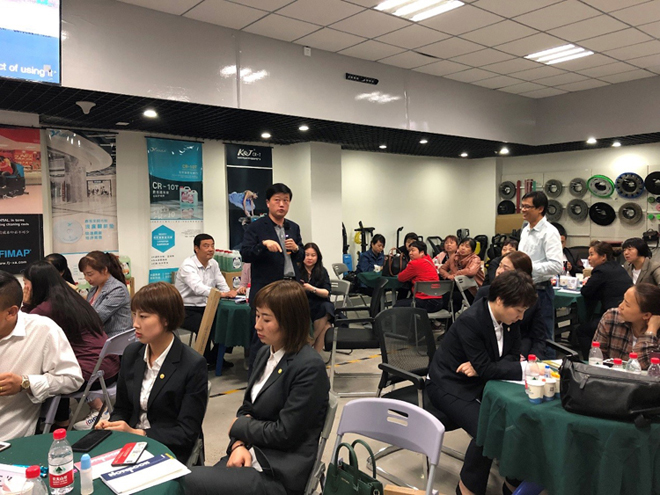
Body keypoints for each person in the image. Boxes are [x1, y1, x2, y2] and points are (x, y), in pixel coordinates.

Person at [184, 280, 330, 495]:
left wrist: (240, 426)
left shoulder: (308, 366)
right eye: (257, 316)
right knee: (187, 482)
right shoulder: (265, 353)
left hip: (278, 471)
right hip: (249, 453)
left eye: (266, 319)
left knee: (186, 482)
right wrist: (238, 445)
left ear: (290, 321)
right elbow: (247, 409)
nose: (257, 325)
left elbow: (285, 433)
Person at [426, 270, 537, 495]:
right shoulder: (471, 320)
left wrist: (484, 367)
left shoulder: (510, 320)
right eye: (519, 310)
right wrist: (514, 368)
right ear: (500, 300)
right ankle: (468, 489)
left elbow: (510, 357)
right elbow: (495, 367)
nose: (521, 317)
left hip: (482, 382)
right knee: (486, 428)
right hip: (448, 384)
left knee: (516, 419)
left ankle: (514, 483)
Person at [96, 282, 208, 462]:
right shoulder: (132, 353)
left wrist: (138, 433)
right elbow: (122, 408)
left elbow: (186, 433)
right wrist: (113, 424)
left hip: (168, 448)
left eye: (143, 316)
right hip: (131, 443)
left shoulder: (192, 364)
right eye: (134, 315)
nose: (135, 324)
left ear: (166, 319)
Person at [21, 261, 120, 430]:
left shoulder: (44, 309)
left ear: (36, 284)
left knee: (50, 374)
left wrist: (26, 304)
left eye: (25, 283)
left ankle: (59, 423)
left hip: (91, 374)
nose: (24, 288)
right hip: (109, 369)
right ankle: (63, 419)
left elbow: (25, 328)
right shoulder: (72, 298)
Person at [0, 271, 83, 441]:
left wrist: (24, 383)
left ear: (11, 312)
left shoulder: (41, 330)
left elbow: (72, 379)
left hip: (9, 436)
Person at [240, 183, 304, 373]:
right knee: (262, 337)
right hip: (267, 289)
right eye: (277, 200)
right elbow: (245, 254)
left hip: (291, 288)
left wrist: (297, 249)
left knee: (292, 334)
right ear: (268, 203)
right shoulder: (256, 227)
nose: (282, 204)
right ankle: (257, 378)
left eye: (286, 200)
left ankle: (289, 374)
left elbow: (301, 257)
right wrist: (263, 245)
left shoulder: (293, 227)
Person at [175, 233, 237, 368]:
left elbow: (221, 283)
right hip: (186, 309)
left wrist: (229, 293)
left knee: (228, 323)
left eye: (212, 246)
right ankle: (203, 361)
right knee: (205, 326)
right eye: (206, 246)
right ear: (196, 248)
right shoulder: (188, 266)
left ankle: (216, 357)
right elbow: (198, 288)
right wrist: (222, 294)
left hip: (208, 306)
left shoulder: (213, 264)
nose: (210, 249)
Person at [475, 251, 547, 359]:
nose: (499, 271)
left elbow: (538, 337)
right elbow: (475, 332)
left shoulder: (530, 299)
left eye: (505, 268)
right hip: (492, 354)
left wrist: (534, 358)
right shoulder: (485, 293)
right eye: (499, 266)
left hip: (523, 352)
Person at [518, 191, 563, 358]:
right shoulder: (525, 230)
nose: (523, 210)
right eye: (522, 206)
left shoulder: (549, 232)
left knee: (543, 337)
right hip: (523, 288)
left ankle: (548, 370)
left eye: (527, 206)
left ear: (540, 209)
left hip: (540, 291)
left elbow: (556, 265)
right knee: (524, 334)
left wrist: (527, 267)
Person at [578, 240, 633, 358]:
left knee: (582, 331)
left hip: (616, 315)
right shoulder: (618, 266)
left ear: (603, 256)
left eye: (591, 254)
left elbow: (586, 291)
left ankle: (590, 360)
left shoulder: (601, 271)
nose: (589, 258)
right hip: (628, 311)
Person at [594, 284, 660, 370]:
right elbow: (597, 355)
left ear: (646, 315)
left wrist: (651, 331)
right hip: (610, 375)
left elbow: (643, 366)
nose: (620, 306)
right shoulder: (612, 317)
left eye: (627, 305)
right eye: (623, 300)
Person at [78, 251, 132, 337]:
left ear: (104, 270)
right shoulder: (94, 289)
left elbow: (97, 318)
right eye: (84, 274)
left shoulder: (118, 289)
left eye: (90, 274)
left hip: (117, 338)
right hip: (101, 337)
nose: (87, 278)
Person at [300, 243, 335, 353]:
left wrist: (311, 288)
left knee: (326, 307)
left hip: (319, 303)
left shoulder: (322, 271)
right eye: (307, 255)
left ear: (318, 257)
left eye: (313, 255)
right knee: (326, 325)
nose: (309, 258)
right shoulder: (297, 270)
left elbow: (326, 292)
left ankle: (310, 343)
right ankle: (315, 356)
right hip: (303, 305)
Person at [395, 240, 442, 314]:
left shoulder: (415, 264)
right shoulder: (428, 259)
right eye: (409, 251)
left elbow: (401, 278)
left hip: (425, 301)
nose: (410, 253)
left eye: (413, 250)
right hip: (438, 301)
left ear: (421, 252)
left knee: (397, 306)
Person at [438, 238, 484, 311]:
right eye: (462, 245)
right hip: (458, 286)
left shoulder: (475, 259)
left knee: (447, 296)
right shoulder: (454, 257)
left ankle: (447, 316)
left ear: (472, 250)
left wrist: (456, 274)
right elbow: (442, 269)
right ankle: (450, 316)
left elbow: (471, 271)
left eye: (467, 247)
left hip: (472, 290)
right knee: (443, 291)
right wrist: (448, 276)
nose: (463, 248)